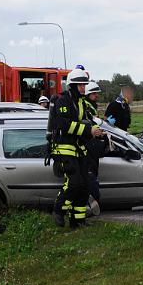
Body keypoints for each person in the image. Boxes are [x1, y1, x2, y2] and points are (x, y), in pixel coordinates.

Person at [50, 67, 104, 229]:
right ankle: (58, 210)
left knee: (85, 186)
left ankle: (77, 221)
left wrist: (95, 131)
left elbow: (83, 122)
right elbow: (64, 125)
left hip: (78, 148)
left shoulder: (80, 102)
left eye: (84, 84)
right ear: (72, 86)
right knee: (74, 182)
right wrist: (88, 130)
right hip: (64, 149)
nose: (83, 87)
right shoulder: (63, 101)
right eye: (80, 85)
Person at [83, 81, 106, 215]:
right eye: (94, 93)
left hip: (91, 149)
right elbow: (88, 128)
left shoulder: (91, 107)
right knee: (90, 181)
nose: (97, 95)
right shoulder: (86, 107)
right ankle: (90, 208)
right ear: (87, 94)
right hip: (89, 151)